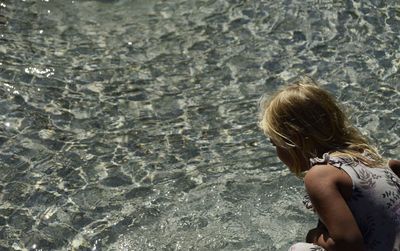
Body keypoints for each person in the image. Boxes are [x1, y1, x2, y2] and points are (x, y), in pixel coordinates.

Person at [258, 76, 400, 251]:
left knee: (299, 249)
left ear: (294, 140)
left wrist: (313, 236)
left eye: (276, 144)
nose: (277, 153)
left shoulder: (320, 176)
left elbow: (348, 244)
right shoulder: (378, 162)